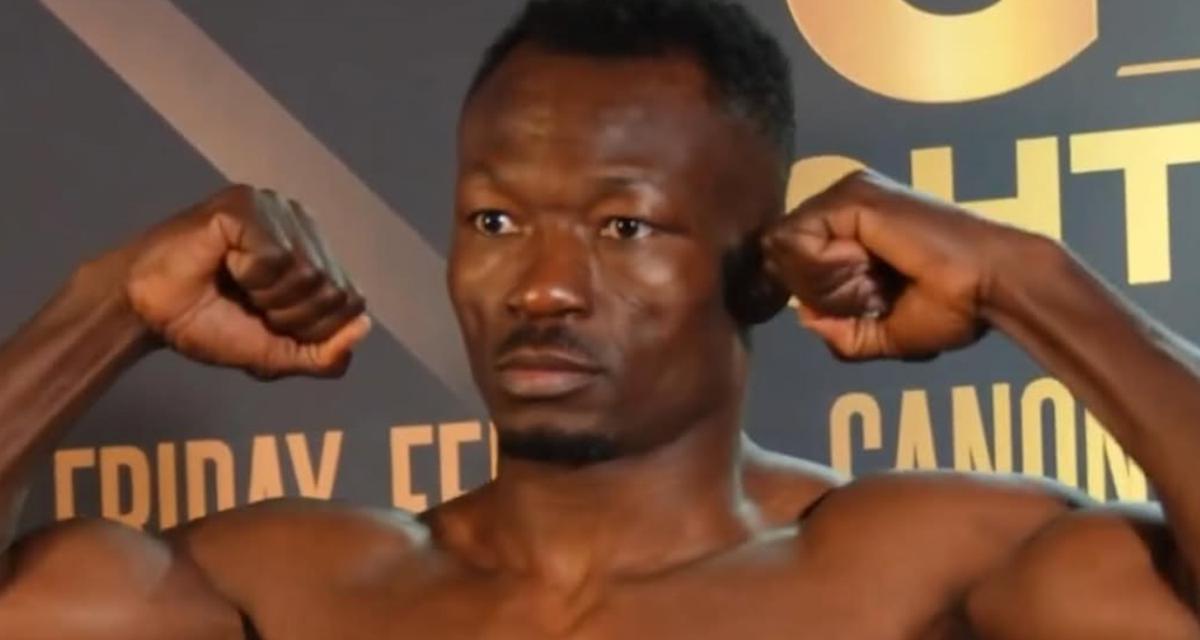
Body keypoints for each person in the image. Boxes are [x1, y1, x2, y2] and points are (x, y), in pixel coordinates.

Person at [1, 0, 1197, 637]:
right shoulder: (293, 588)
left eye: (625, 226)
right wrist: (110, 306)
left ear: (765, 266)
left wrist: (1031, 281)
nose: (542, 287)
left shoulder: (922, 570)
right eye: (494, 220)